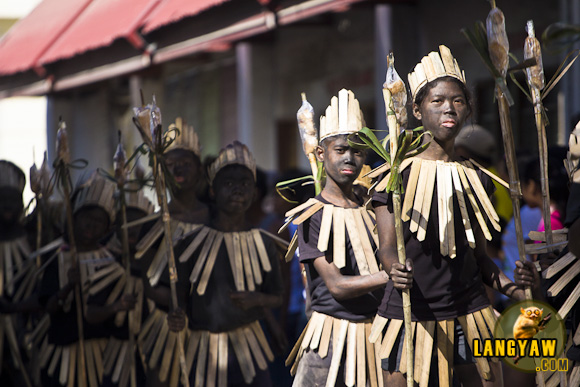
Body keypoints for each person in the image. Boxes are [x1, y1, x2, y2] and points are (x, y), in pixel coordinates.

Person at [371, 45, 528, 387]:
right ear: (416, 110)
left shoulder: (478, 177)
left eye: (458, 101)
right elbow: (385, 248)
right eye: (437, 101)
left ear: (469, 109)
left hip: (471, 313)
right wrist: (392, 269)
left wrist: (515, 290)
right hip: (411, 314)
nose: (449, 108)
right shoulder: (394, 176)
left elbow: (480, 259)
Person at [287, 89, 388, 387]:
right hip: (330, 340)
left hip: (376, 337)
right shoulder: (311, 216)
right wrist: (390, 276)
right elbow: (337, 286)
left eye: (358, 151)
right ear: (321, 153)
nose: (350, 158)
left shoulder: (373, 208)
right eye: (341, 149)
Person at [167, 141, 284, 386]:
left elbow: (277, 296)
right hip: (204, 349)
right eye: (228, 184)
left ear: (254, 193)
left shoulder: (263, 242)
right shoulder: (189, 244)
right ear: (212, 191)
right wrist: (177, 316)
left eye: (244, 184)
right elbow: (177, 299)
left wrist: (257, 299)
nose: (237, 190)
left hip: (250, 346)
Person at [133, 118, 210, 387]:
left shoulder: (214, 218)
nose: (178, 169)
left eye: (185, 164)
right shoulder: (153, 224)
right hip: (167, 324)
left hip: (210, 324)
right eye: (170, 165)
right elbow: (148, 282)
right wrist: (173, 305)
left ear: (200, 170)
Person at [38, 172, 118, 387]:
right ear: (74, 217)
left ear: (107, 228)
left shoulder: (111, 261)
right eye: (86, 218)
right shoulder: (58, 258)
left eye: (98, 221)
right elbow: (48, 307)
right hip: (63, 356)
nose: (91, 226)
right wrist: (67, 288)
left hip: (102, 353)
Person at [85, 189, 155, 387]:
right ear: (115, 228)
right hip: (116, 356)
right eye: (126, 223)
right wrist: (115, 307)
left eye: (138, 224)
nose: (132, 230)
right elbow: (91, 313)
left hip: (154, 353)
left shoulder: (160, 266)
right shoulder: (107, 265)